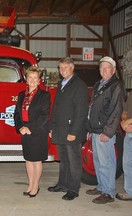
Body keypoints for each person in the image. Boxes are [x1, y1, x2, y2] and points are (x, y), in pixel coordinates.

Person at [47, 57, 88, 200]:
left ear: (72, 67)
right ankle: (62, 184)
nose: (62, 70)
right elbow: (56, 107)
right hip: (60, 129)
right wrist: (52, 127)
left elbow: (81, 112)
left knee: (74, 161)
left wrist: (74, 132)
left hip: (71, 131)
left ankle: (73, 189)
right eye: (60, 68)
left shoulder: (79, 86)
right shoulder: (62, 84)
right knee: (63, 160)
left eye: (65, 67)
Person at [86, 56, 125, 204]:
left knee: (107, 162)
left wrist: (108, 132)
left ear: (113, 70)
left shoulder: (116, 86)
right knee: (97, 161)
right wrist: (89, 128)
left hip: (104, 131)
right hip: (95, 129)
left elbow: (116, 110)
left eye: (107, 67)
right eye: (101, 67)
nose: (103, 70)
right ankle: (101, 186)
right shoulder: (98, 84)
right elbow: (92, 108)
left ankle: (108, 193)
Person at [14, 66, 50, 198]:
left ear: (39, 80)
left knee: (36, 160)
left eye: (35, 78)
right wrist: (20, 128)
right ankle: (30, 184)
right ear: (26, 80)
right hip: (24, 131)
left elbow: (44, 116)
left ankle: (36, 185)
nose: (33, 80)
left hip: (37, 131)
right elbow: (17, 114)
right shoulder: (21, 95)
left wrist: (30, 128)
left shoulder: (44, 95)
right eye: (30, 77)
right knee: (28, 159)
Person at [115, 70, 132, 203]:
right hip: (130, 132)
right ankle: (131, 192)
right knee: (128, 164)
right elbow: (125, 110)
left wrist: (129, 121)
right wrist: (124, 121)